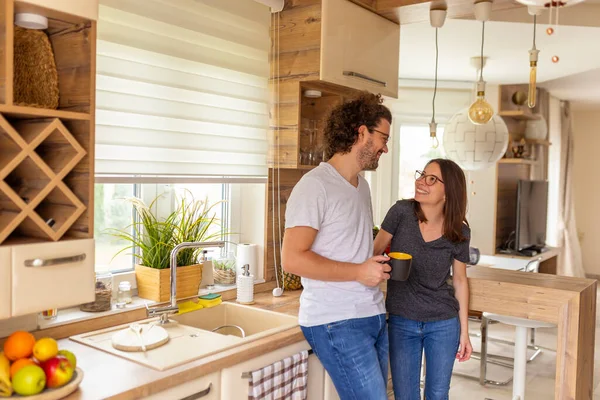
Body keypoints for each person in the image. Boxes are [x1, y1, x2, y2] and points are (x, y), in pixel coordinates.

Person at [282, 92, 393, 399]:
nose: (386, 147)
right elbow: (292, 259)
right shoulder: (315, 186)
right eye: (383, 137)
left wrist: (374, 264)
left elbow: (350, 249)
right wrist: (359, 271)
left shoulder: (361, 188)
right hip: (335, 321)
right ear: (361, 132)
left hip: (370, 313)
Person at [374, 158, 473, 400]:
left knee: (437, 395)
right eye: (422, 175)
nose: (421, 181)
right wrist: (385, 266)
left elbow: (460, 280)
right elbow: (374, 253)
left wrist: (465, 332)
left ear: (448, 192)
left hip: (443, 322)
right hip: (401, 320)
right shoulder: (400, 212)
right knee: (405, 395)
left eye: (432, 179)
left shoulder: (459, 231)